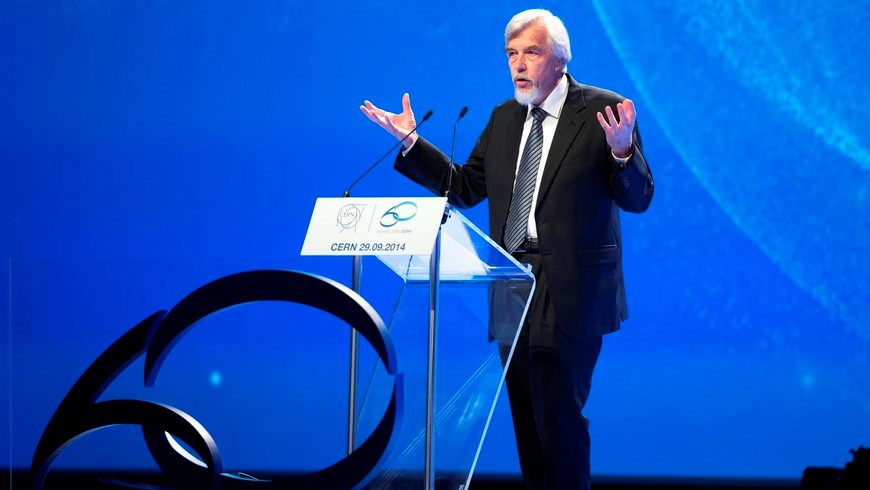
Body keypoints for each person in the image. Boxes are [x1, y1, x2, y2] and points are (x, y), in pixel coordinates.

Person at [360, 8, 653, 490]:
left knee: (559, 419)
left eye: (531, 52)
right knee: (528, 426)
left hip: (572, 290)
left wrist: (623, 153)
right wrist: (412, 143)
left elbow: (638, 198)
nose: (518, 64)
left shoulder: (605, 111)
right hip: (511, 283)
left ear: (560, 59)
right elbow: (464, 186)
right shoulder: (504, 118)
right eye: (511, 54)